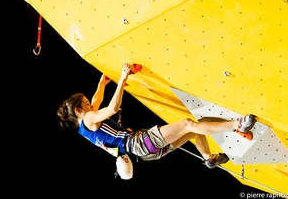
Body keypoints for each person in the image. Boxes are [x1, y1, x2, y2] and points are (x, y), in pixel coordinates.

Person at [57, 63, 257, 169]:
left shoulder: (85, 127)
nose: (91, 104)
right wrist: (122, 78)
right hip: (137, 144)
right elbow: (112, 108)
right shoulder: (89, 119)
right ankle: (238, 124)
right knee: (188, 124)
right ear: (78, 111)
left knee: (192, 131)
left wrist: (102, 83)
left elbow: (97, 98)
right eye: (86, 104)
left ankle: (207, 158)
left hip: (146, 154)